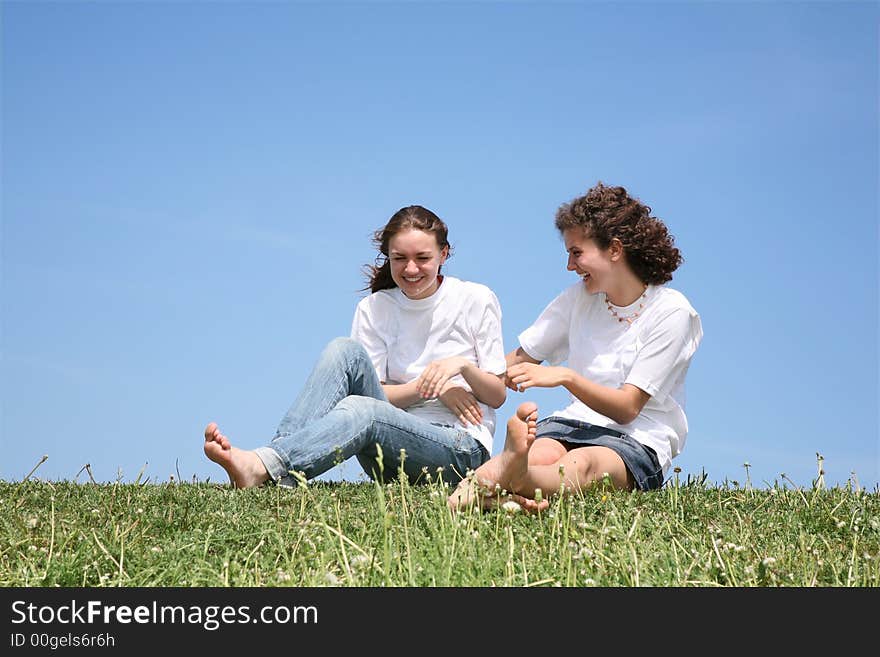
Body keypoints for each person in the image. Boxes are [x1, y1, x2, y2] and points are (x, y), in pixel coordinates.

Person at [204, 205, 508, 488]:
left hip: (458, 452)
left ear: (444, 254)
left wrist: (461, 367)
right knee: (343, 349)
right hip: (386, 458)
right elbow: (377, 396)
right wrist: (431, 387)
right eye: (399, 258)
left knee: (362, 409)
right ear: (388, 257)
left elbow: (496, 395)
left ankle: (267, 467)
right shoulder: (374, 308)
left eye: (423, 258)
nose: (411, 268)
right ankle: (276, 462)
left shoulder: (476, 299)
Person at [449, 182, 703, 511]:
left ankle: (513, 477)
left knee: (584, 465)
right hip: (571, 422)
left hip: (637, 437)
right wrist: (460, 375)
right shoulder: (577, 300)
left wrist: (566, 377)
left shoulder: (672, 312)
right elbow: (518, 360)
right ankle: (481, 492)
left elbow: (628, 408)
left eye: (577, 252)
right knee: (541, 452)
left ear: (614, 249)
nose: (570, 266)